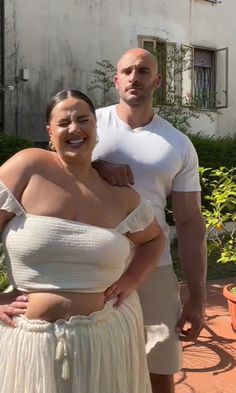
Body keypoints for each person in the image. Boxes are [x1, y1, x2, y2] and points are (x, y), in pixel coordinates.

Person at [0, 89, 165, 393]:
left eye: (83, 120)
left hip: (106, 342)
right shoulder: (27, 167)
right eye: (63, 123)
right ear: (50, 133)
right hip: (28, 345)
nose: (74, 128)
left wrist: (131, 279)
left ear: (95, 129)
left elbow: (154, 239)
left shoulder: (120, 194)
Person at [92, 48, 207, 393]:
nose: (133, 77)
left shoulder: (177, 143)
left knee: (160, 369)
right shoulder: (90, 124)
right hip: (95, 264)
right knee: (94, 365)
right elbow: (59, 174)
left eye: (143, 71)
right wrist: (98, 166)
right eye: (126, 71)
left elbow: (189, 223)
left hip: (154, 268)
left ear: (156, 81)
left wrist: (198, 298)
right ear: (116, 80)